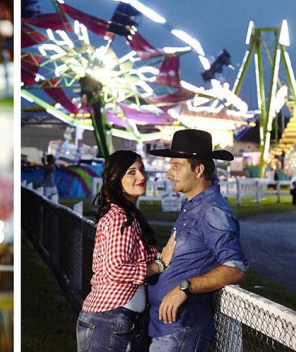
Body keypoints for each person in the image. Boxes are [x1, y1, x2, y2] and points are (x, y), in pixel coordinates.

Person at [146, 129, 248, 352]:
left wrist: (185, 287)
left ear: (199, 169)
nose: (168, 174)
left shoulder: (213, 210)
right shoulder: (194, 205)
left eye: (176, 166)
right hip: (166, 329)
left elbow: (235, 267)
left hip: (182, 331)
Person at [76, 150, 174, 352]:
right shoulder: (120, 217)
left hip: (117, 319)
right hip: (108, 319)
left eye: (142, 169)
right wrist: (158, 265)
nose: (142, 176)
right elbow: (115, 269)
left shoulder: (129, 215)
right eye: (131, 172)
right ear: (115, 179)